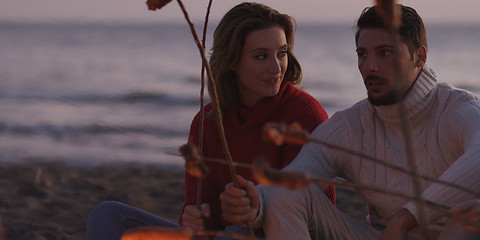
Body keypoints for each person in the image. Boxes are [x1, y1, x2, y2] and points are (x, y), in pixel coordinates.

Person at [219, 4, 480, 240]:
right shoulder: (352, 126)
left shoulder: (456, 109)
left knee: (470, 218)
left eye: (384, 52)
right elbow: (293, 179)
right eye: (363, 54)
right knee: (282, 195)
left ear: (419, 57)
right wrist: (257, 203)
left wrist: (407, 217)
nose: (370, 66)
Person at [86, 2, 335, 239]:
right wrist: (195, 220)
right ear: (232, 62)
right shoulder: (206, 122)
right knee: (108, 215)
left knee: (237, 233)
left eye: (281, 53)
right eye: (261, 56)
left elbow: (308, 219)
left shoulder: (304, 114)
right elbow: (200, 211)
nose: (277, 67)